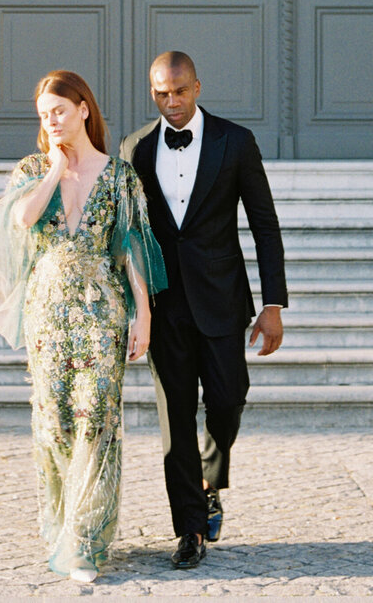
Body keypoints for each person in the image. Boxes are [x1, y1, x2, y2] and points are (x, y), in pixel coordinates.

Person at [0, 70, 167, 582]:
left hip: (101, 313)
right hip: (48, 314)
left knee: (97, 421)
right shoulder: (32, 167)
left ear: (83, 108)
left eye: (59, 111)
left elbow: (132, 247)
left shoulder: (119, 176)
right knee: (56, 423)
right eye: (44, 115)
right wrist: (54, 172)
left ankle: (85, 543)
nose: (51, 121)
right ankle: (61, 526)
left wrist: (143, 316)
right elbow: (21, 221)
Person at [120, 50, 288, 571]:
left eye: (179, 91)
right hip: (165, 305)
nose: (170, 102)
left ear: (197, 87)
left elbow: (264, 223)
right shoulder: (135, 148)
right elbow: (127, 234)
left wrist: (273, 303)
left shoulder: (233, 142)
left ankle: (211, 478)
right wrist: (133, 308)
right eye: (160, 93)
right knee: (174, 421)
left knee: (228, 398)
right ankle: (189, 527)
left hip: (221, 300)